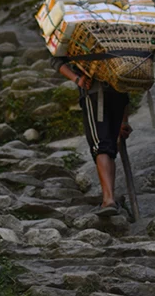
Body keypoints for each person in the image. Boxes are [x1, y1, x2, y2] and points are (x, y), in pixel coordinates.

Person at [55, 61, 131, 215]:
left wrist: (78, 80)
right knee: (109, 148)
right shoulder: (119, 38)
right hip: (119, 92)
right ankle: (109, 198)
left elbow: (56, 60)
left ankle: (108, 200)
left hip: (94, 92)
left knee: (101, 145)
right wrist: (124, 120)